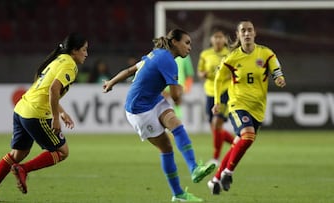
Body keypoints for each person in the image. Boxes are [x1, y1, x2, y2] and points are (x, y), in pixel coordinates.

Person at [103, 29, 215, 202]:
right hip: (139, 110)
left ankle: (194, 169)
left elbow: (130, 70)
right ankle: (178, 195)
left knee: (176, 124)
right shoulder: (168, 61)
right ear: (175, 42)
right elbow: (176, 98)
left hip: (154, 99)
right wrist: (179, 92)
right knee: (166, 148)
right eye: (187, 42)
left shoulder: (156, 54)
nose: (190, 47)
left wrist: (111, 82)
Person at [0, 33, 88, 202]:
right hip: (36, 113)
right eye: (84, 50)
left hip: (22, 109)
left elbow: (45, 89)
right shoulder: (70, 65)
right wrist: (56, 118)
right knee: (62, 151)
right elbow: (53, 89)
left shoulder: (57, 60)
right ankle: (23, 169)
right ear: (74, 51)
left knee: (18, 153)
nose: (86, 54)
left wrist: (61, 112)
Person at [207, 21, 286, 195]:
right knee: (248, 135)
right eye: (243, 30)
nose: (247, 33)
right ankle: (228, 173)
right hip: (237, 104)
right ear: (238, 34)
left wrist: (278, 78)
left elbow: (276, 68)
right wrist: (217, 101)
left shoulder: (265, 53)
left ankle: (215, 179)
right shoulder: (232, 58)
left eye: (250, 30)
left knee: (238, 143)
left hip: (258, 107)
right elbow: (219, 79)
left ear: (255, 33)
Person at [197, 29, 234, 166]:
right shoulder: (205, 54)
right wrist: (203, 74)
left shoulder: (230, 54)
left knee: (217, 124)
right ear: (211, 40)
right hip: (209, 92)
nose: (218, 40)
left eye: (220, 37)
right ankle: (236, 143)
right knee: (214, 128)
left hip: (225, 92)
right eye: (215, 37)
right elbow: (199, 71)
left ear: (225, 40)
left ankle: (215, 158)